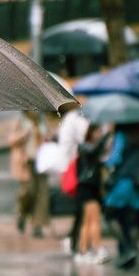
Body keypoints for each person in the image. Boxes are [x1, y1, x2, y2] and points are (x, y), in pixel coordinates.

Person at [103, 121, 139, 271]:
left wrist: (107, 156)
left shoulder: (121, 136)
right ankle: (132, 250)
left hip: (125, 183)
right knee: (134, 219)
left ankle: (128, 248)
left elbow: (115, 158)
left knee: (110, 214)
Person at [6, 111, 50, 238]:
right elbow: (11, 140)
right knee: (29, 191)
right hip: (26, 162)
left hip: (41, 161)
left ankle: (37, 225)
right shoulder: (20, 120)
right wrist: (24, 134)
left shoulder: (42, 120)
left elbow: (48, 135)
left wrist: (46, 138)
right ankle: (22, 214)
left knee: (42, 194)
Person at [56, 107, 90, 253]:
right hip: (77, 168)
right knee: (82, 207)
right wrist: (64, 171)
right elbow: (66, 147)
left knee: (82, 208)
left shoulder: (79, 117)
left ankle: (74, 240)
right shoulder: (74, 119)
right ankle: (75, 242)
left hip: (80, 168)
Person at [74, 124, 109, 264]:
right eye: (98, 131)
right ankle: (98, 248)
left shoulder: (93, 148)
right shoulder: (85, 146)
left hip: (91, 187)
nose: (100, 134)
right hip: (87, 187)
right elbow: (93, 150)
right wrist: (107, 135)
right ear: (91, 132)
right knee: (94, 219)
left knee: (88, 221)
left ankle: (82, 251)